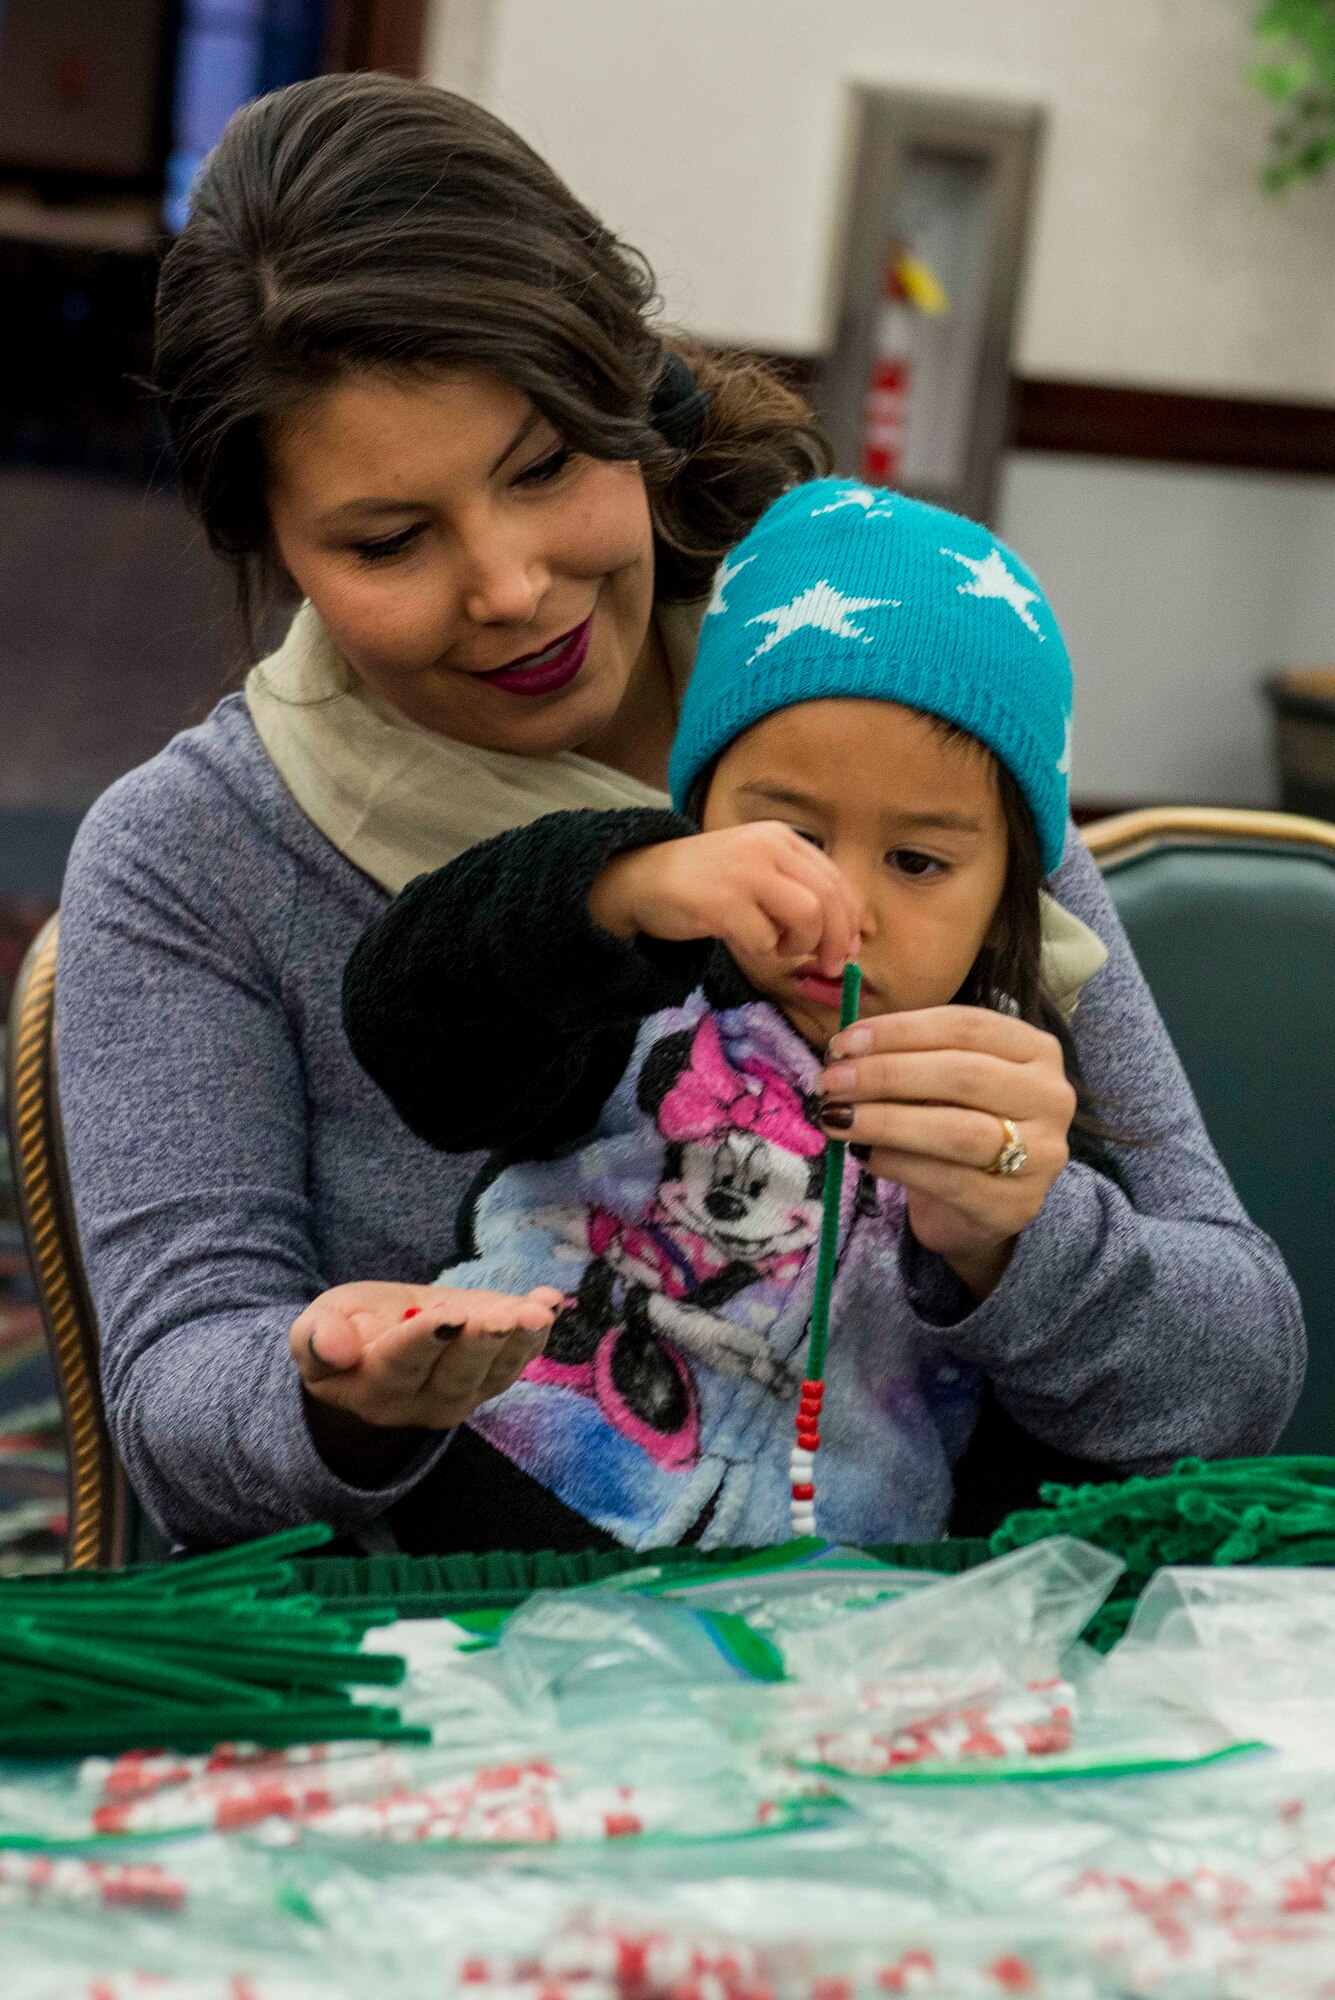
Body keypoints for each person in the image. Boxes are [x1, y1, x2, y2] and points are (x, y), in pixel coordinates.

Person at [53, 74, 1300, 1553]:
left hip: (902, 1696)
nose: (508, 586)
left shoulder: (865, 714)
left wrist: (1028, 1238)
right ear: (273, 547)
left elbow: (1234, 1380)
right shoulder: (196, 855)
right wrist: (333, 1387)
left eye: (546, 469)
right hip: (458, 1701)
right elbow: (178, 1424)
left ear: (630, 400)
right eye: (390, 539)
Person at [335, 480, 1305, 1551]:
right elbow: (407, 1023)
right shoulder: (630, 986)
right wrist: (610, 892)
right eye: (790, 834)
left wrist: (1010, 1245)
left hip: (838, 1638)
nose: (845, 907)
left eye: (920, 860)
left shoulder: (1014, 1096)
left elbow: (1130, 1441)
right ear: (700, 816)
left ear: (1012, 894)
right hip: (487, 1568)